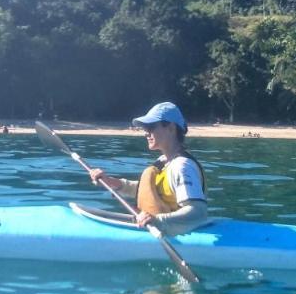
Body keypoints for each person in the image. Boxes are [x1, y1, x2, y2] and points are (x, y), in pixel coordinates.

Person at [89, 101, 209, 236]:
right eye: (144, 128)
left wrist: (158, 220)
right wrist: (112, 183)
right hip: (159, 227)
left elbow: (198, 212)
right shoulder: (163, 162)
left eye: (151, 127)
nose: (146, 133)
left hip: (180, 235)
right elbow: (149, 190)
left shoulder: (182, 166)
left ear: (171, 128)